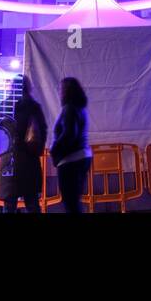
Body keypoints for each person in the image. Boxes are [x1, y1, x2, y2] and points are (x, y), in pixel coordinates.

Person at [49, 77, 92, 213]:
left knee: (70, 203)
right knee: (74, 202)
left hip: (70, 160)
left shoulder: (69, 109)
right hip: (82, 156)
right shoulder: (80, 108)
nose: (59, 92)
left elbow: (69, 135)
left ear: (67, 91)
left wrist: (54, 152)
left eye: (61, 89)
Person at [8, 77, 47, 212]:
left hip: (11, 162)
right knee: (31, 202)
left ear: (14, 88)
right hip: (30, 160)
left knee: (10, 202)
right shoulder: (35, 107)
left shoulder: (8, 106)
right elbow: (43, 130)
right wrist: (37, 150)